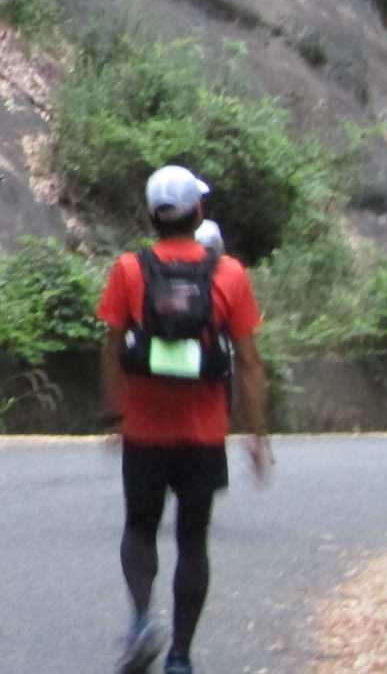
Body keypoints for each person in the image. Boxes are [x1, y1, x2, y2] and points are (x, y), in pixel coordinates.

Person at [98, 166, 269, 674]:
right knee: (193, 539)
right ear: (198, 214)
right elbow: (249, 362)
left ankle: (141, 621)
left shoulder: (129, 270)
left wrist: (116, 412)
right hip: (203, 433)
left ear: (152, 217)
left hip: (144, 430)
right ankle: (180, 657)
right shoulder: (229, 274)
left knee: (139, 526)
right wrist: (257, 435)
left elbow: (112, 348)